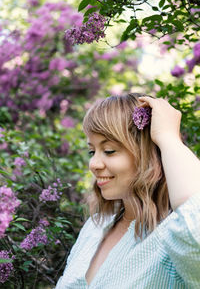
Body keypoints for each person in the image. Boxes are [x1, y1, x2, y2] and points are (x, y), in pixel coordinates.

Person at [55, 93, 200, 289]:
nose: (93, 164)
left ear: (147, 155)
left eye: (109, 151)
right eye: (92, 151)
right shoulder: (96, 226)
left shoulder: (173, 237)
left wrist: (168, 138)